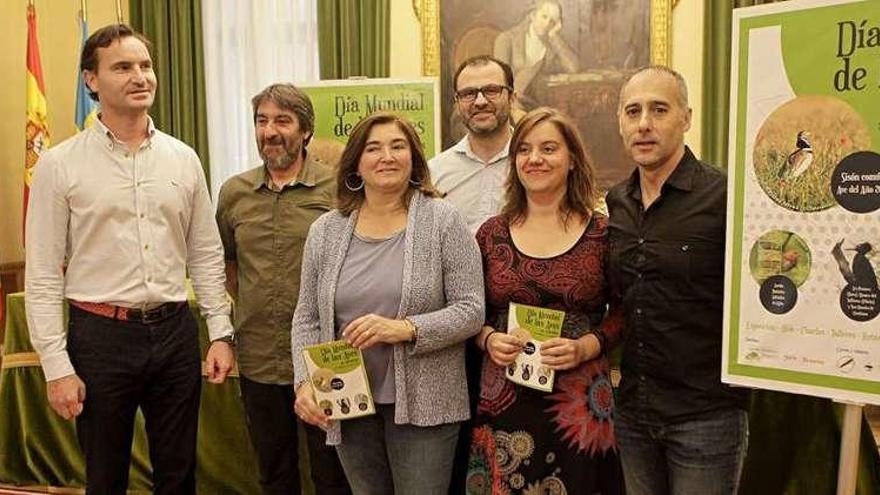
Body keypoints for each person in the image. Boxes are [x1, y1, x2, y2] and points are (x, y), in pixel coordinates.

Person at [24, 24, 234, 494]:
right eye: (122, 67)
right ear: (91, 81)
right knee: (105, 477)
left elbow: (205, 252)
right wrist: (57, 367)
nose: (140, 76)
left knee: (179, 474)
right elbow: (40, 276)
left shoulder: (183, 159)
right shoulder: (60, 166)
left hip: (176, 331)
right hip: (100, 338)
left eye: (145, 65)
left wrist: (220, 332)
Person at [291, 112, 484, 494]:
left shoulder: (444, 220)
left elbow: (471, 309)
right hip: (347, 402)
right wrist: (304, 383)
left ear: (413, 158)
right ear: (356, 164)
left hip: (427, 407)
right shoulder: (325, 231)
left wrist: (406, 328)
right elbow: (307, 319)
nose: (387, 156)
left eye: (398, 146)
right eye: (373, 148)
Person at [607, 65, 750, 495]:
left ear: (686, 117)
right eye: (633, 112)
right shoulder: (618, 202)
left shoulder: (727, 196)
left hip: (705, 417)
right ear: (620, 122)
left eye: (659, 109)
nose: (644, 124)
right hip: (632, 412)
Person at [467, 107, 624, 494]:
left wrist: (587, 346)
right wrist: (487, 338)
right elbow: (468, 313)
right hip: (503, 401)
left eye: (549, 148)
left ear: (572, 160)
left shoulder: (603, 233)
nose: (535, 159)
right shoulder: (491, 234)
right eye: (524, 150)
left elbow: (626, 312)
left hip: (578, 405)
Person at [215, 83, 350, 495]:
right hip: (260, 357)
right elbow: (229, 265)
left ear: (306, 131)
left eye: (282, 121)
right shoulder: (234, 192)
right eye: (262, 121)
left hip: (325, 356)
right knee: (274, 473)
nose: (270, 131)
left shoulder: (338, 190)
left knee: (332, 475)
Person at [430, 55, 516, 235]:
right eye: (468, 94)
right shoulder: (434, 173)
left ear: (512, 98)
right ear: (457, 103)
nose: (480, 102)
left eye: (492, 90)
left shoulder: (535, 165)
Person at [493, 0, 579, 119]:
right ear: (532, 15)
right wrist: (513, 109)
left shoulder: (551, 46)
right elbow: (499, 81)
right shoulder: (507, 39)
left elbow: (573, 68)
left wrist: (554, 36)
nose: (547, 24)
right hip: (511, 103)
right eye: (544, 16)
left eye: (552, 21)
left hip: (540, 105)